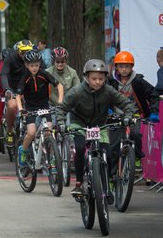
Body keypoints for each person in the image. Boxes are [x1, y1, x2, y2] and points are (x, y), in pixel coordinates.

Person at [55, 59, 136, 197]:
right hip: (79, 123)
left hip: (100, 125)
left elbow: (126, 103)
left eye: (101, 78)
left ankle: (107, 181)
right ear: (86, 77)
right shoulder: (77, 91)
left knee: (108, 153)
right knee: (80, 148)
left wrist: (128, 115)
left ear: (105, 78)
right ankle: (79, 183)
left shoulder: (108, 90)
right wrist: (61, 123)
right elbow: (62, 109)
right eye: (94, 79)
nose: (97, 82)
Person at [107, 51, 160, 175]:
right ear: (116, 67)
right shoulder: (110, 81)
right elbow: (101, 95)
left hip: (134, 115)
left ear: (132, 67)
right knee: (113, 146)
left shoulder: (138, 81)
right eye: (121, 66)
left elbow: (154, 95)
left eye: (127, 66)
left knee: (136, 134)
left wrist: (154, 112)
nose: (124, 69)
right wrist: (106, 109)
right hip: (116, 116)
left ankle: (136, 156)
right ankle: (112, 176)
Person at [15, 50, 64, 167]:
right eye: (32, 66)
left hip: (44, 106)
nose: (34, 68)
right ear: (26, 65)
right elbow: (18, 96)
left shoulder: (44, 74)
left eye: (36, 65)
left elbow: (59, 85)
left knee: (49, 132)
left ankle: (52, 157)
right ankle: (24, 150)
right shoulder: (25, 77)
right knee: (31, 132)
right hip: (30, 108)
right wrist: (21, 109)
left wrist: (60, 100)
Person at [0, 39, 46, 147]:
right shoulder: (10, 58)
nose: (24, 54)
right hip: (13, 88)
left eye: (27, 52)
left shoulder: (35, 57)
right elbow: (4, 74)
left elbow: (44, 72)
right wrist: (7, 89)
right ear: (18, 51)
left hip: (28, 87)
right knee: (12, 106)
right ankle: (10, 130)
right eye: (22, 52)